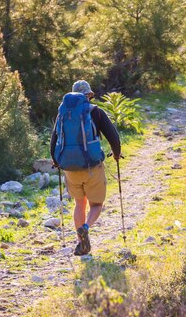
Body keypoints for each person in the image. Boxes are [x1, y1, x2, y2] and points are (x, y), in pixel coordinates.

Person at [50, 80, 121, 256]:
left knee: (79, 204)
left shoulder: (63, 114)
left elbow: (53, 142)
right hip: (92, 167)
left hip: (69, 168)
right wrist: (117, 154)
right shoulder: (96, 112)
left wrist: (57, 161)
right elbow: (114, 138)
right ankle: (86, 228)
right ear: (88, 95)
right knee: (96, 204)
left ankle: (81, 243)